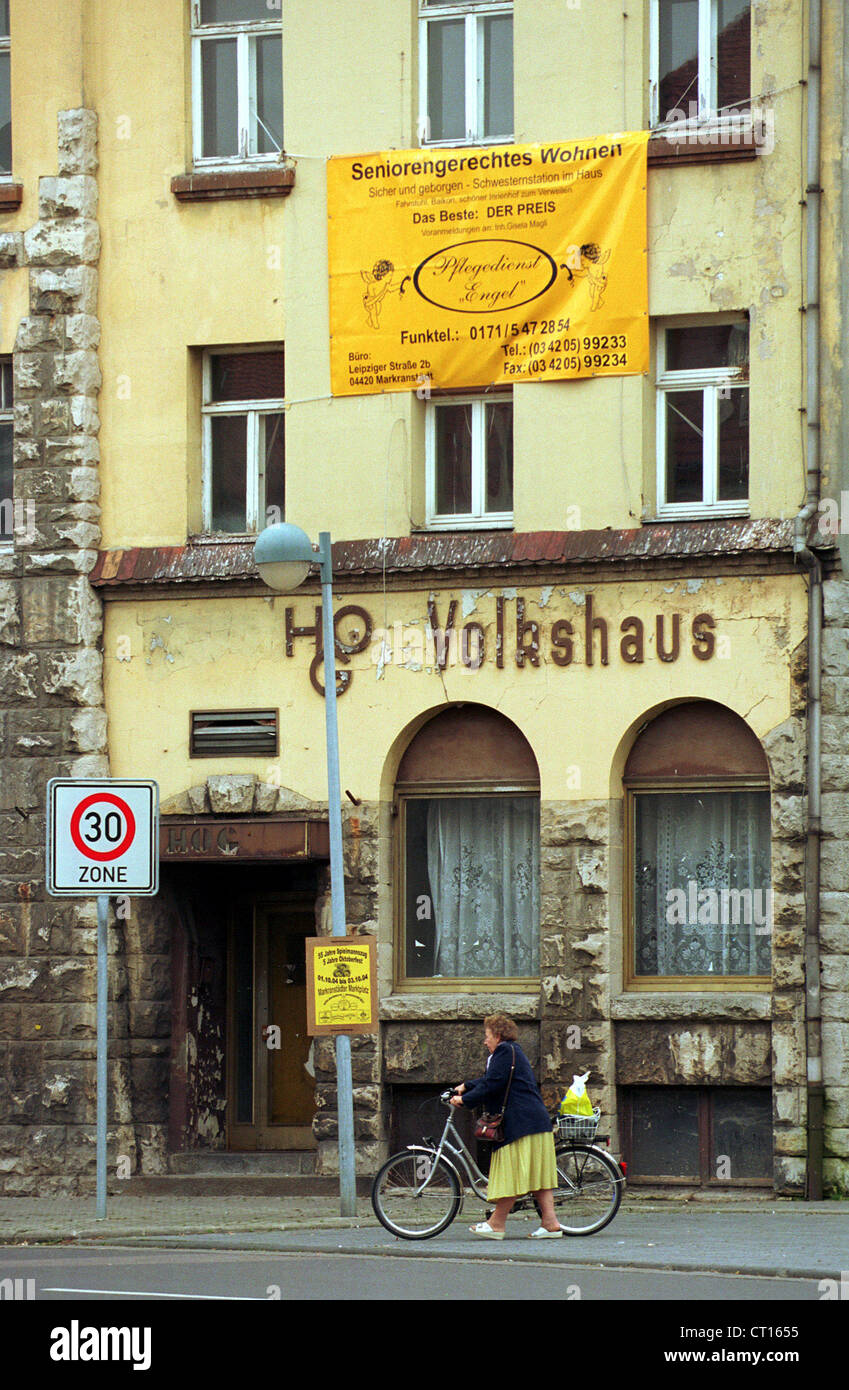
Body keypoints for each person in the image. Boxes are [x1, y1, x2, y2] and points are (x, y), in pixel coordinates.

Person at [451, 1012, 562, 1239]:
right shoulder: (512, 1052)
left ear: (498, 1035)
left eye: (487, 1035)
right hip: (533, 1122)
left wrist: (465, 1099)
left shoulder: (503, 1051)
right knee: (536, 1175)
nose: (485, 1041)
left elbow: (493, 1084)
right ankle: (550, 1223)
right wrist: (467, 1085)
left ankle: (496, 1223)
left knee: (513, 1173)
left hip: (521, 1124)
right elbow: (493, 1079)